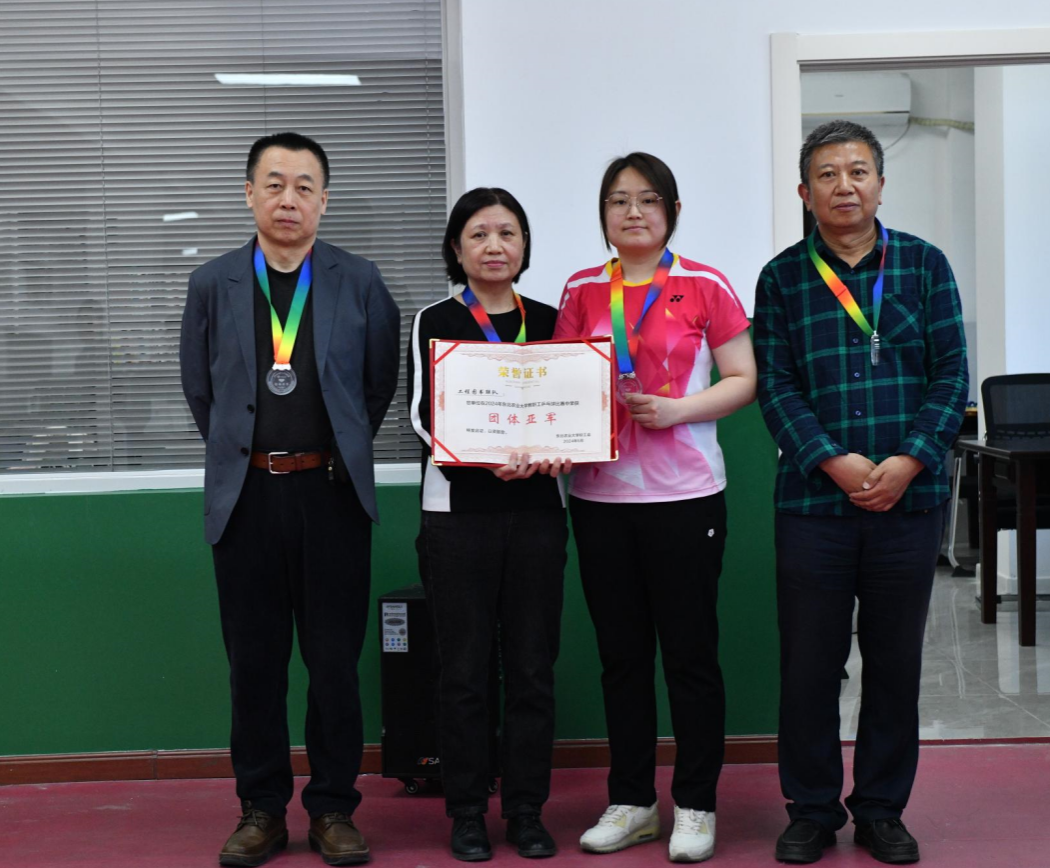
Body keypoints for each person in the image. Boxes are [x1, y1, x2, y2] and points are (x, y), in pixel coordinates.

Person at [180, 131, 400, 867]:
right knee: (255, 665)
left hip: (331, 495)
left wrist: (333, 449)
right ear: (249, 194)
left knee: (334, 663)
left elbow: (376, 386)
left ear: (324, 201)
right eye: (273, 183)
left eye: (304, 186)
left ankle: (333, 808)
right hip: (246, 497)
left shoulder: (359, 280)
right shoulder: (212, 283)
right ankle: (262, 810)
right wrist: (249, 455)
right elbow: (200, 389)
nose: (288, 199)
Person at [753, 119, 968, 865]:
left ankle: (880, 809)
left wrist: (908, 461)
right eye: (827, 174)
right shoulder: (782, 277)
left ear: (879, 182)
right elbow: (776, 386)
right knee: (809, 667)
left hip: (909, 502)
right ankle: (811, 809)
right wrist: (832, 460)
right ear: (804, 191)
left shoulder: (924, 264)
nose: (844, 186)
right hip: (813, 505)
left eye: (857, 171)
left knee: (894, 664)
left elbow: (951, 376)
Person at [554, 153, 756, 863]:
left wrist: (678, 410)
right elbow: (562, 385)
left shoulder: (705, 284)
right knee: (622, 660)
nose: (632, 212)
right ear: (603, 214)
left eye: (647, 199)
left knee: (691, 657)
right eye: (618, 200)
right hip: (600, 498)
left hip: (686, 497)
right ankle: (633, 801)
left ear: (671, 210)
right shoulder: (582, 288)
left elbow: (743, 378)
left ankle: (695, 805)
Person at [408, 187, 571, 862]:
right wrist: (485, 460)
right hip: (457, 517)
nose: (494, 246)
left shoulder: (552, 319)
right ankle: (468, 812)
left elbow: (574, 407)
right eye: (478, 234)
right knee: (464, 671)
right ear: (457, 247)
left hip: (537, 516)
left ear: (524, 245)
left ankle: (527, 811)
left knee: (532, 668)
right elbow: (422, 415)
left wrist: (564, 449)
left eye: (507, 233)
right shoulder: (435, 319)